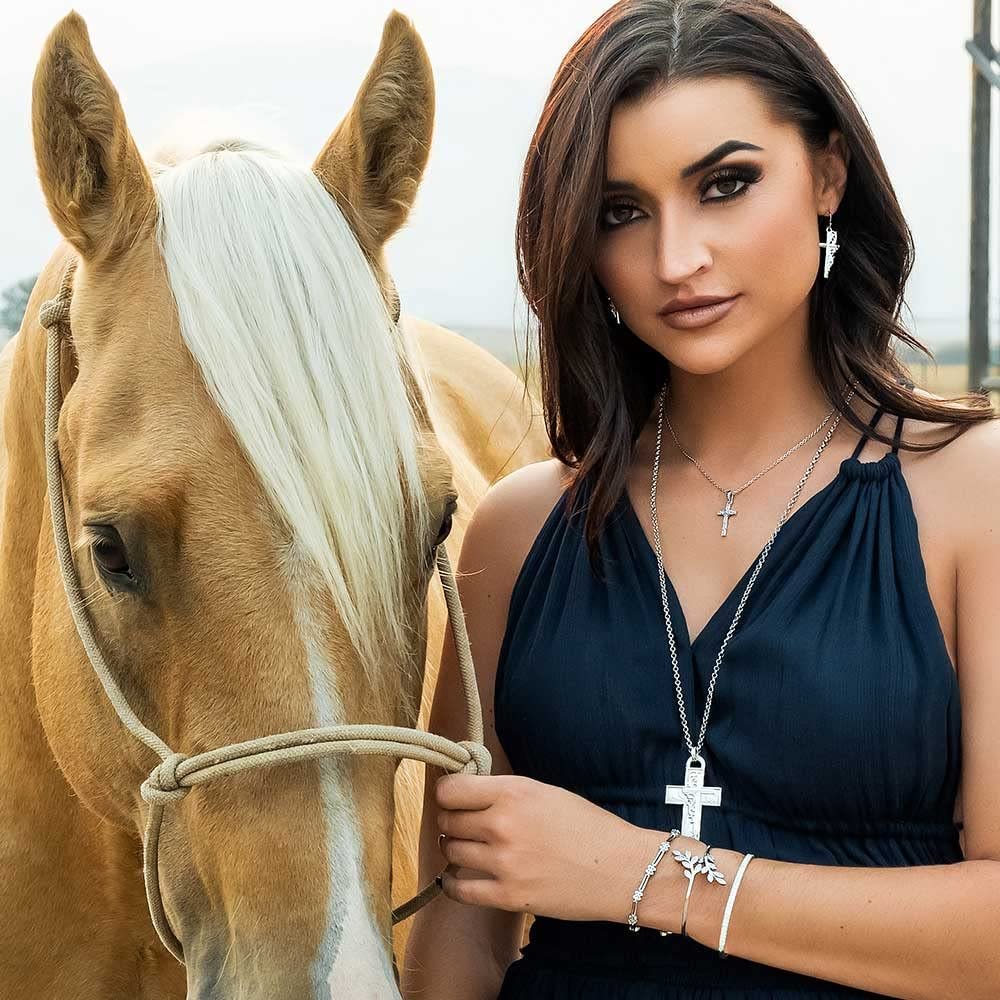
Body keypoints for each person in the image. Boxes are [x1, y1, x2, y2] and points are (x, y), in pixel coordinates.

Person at [401, 1, 1000, 997]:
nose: (675, 260)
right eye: (621, 211)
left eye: (725, 185)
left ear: (827, 175)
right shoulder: (514, 535)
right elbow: (458, 936)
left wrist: (642, 874)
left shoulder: (973, 499)